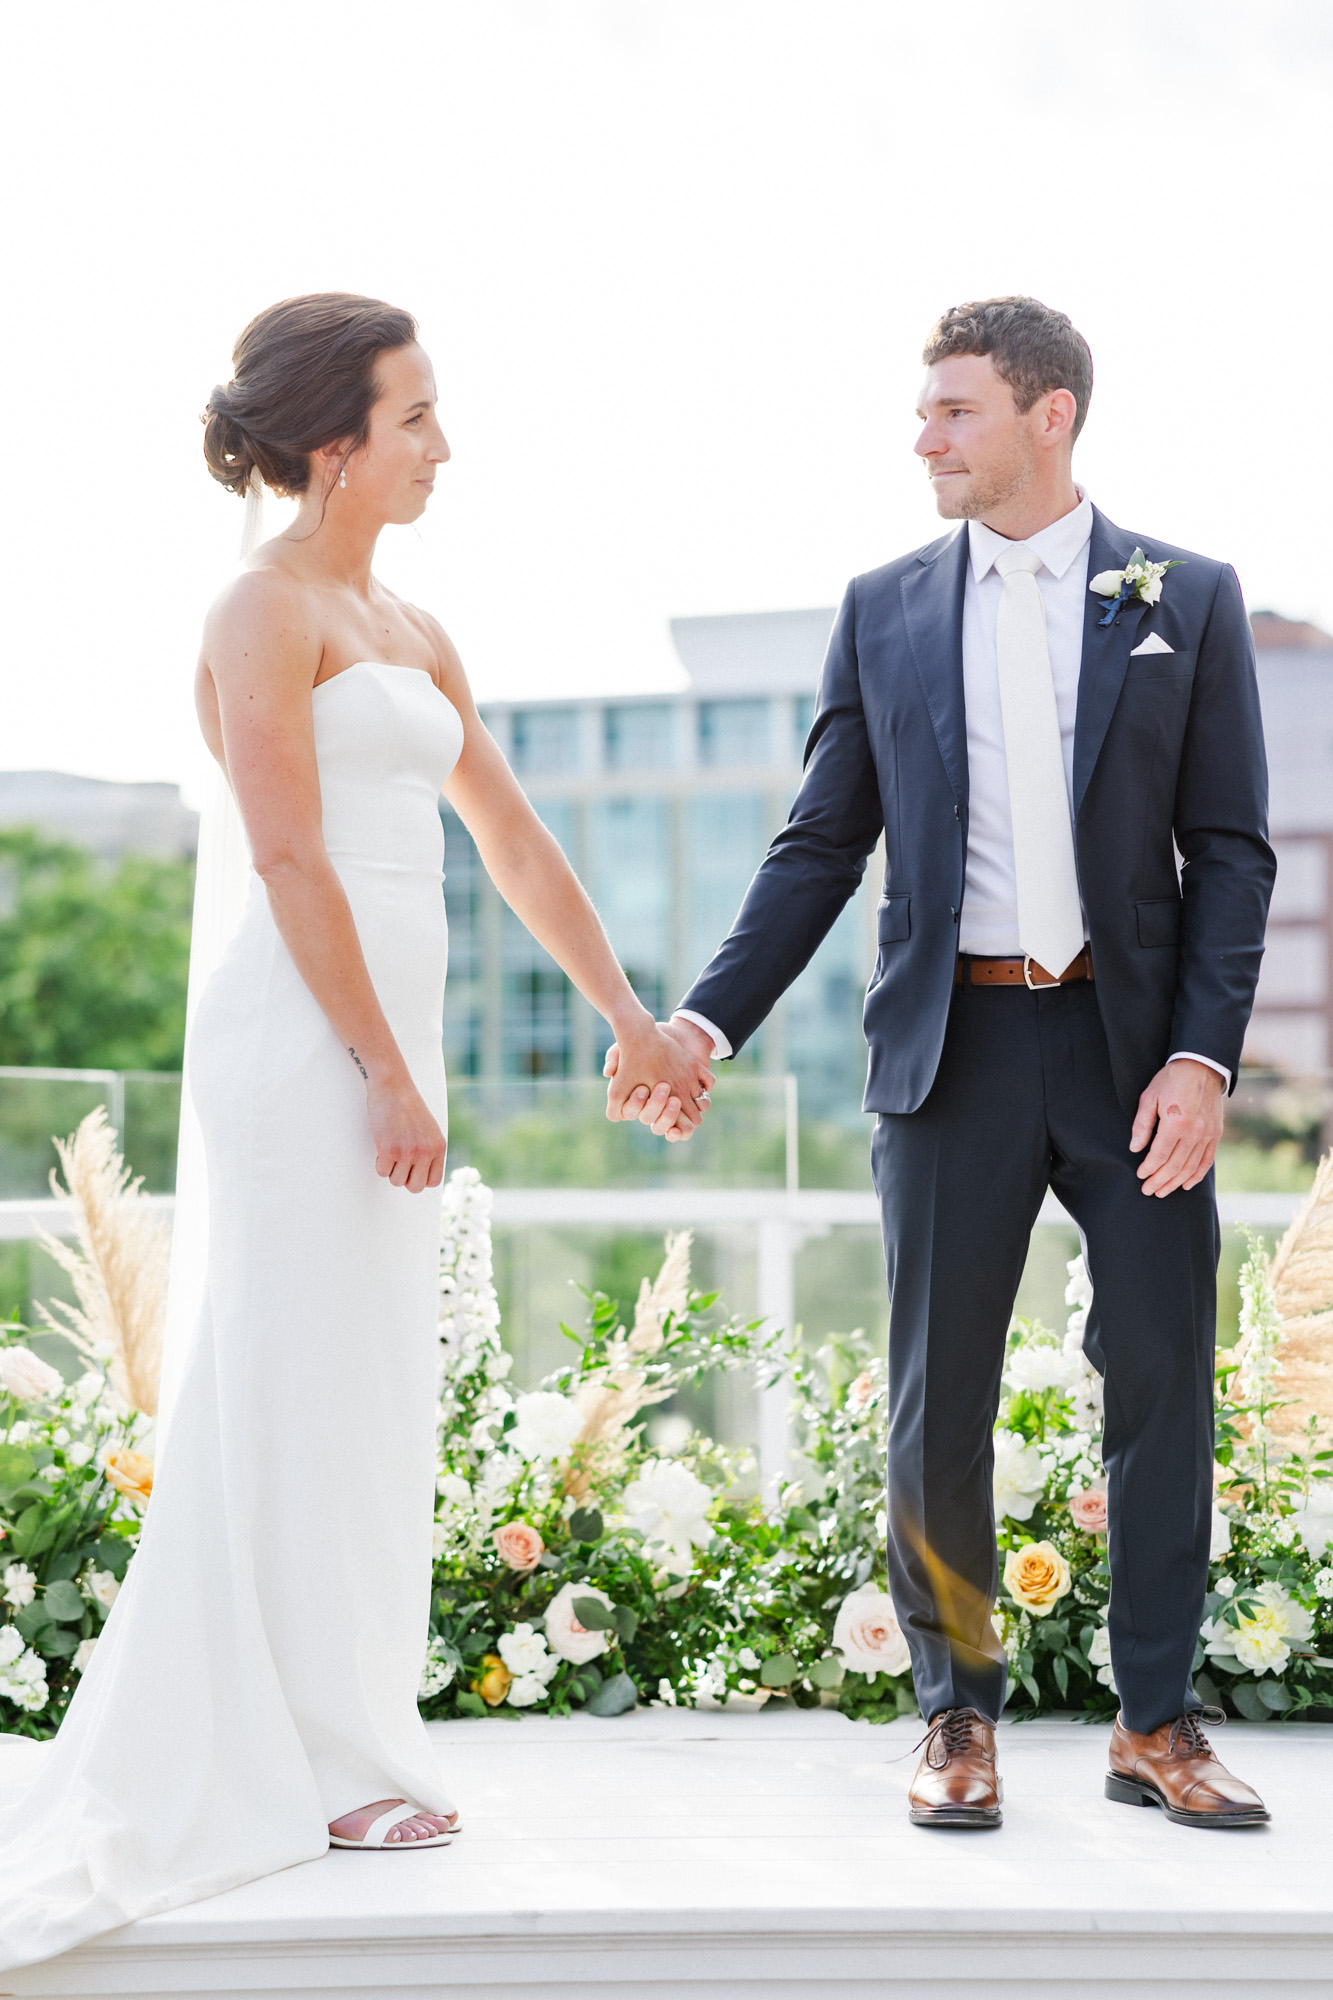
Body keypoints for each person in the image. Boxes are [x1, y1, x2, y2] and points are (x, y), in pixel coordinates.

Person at [0, 292, 711, 1973]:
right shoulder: (259, 609)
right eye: (416, 418)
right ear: (336, 444)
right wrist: (381, 1067)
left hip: (394, 1041)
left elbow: (517, 841)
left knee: (374, 1373)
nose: (442, 446)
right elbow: (287, 858)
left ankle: (347, 1738)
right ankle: (293, 1756)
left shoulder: (410, 621)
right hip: (306, 1037)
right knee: (293, 1364)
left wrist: (628, 1019)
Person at [608, 297, 1275, 1830]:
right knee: (937, 1392)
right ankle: (954, 1718)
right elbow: (819, 844)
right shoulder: (884, 605)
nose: (924, 437)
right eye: (924, 412)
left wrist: (1200, 1058)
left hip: (1132, 1051)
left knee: (1163, 1376)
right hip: (950, 1045)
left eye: (954, 411)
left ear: (1049, 416)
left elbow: (1228, 851)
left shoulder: (1186, 593)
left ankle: (1155, 1725)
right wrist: (703, 1023)